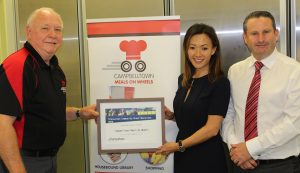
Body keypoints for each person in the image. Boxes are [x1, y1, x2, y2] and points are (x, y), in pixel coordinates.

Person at [0, 7, 99, 173]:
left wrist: (79, 112)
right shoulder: (18, 65)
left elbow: (46, 112)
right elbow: (2, 124)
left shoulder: (53, 67)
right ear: (29, 32)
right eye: (45, 28)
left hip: (49, 159)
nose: (53, 34)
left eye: (58, 29)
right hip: (23, 161)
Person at [221, 11, 300, 173]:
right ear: (245, 38)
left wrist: (249, 148)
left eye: (266, 32)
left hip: (280, 166)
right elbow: (229, 115)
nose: (261, 39)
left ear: (276, 34)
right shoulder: (235, 71)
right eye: (254, 33)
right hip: (239, 163)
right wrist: (235, 148)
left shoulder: (295, 71)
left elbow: (294, 123)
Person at [156, 23, 230, 173]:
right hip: (184, 155)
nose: (198, 54)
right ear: (186, 50)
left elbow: (212, 129)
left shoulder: (219, 82)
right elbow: (193, 118)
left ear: (213, 50)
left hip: (207, 156)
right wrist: (172, 117)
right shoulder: (183, 79)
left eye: (204, 48)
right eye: (192, 47)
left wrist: (178, 146)